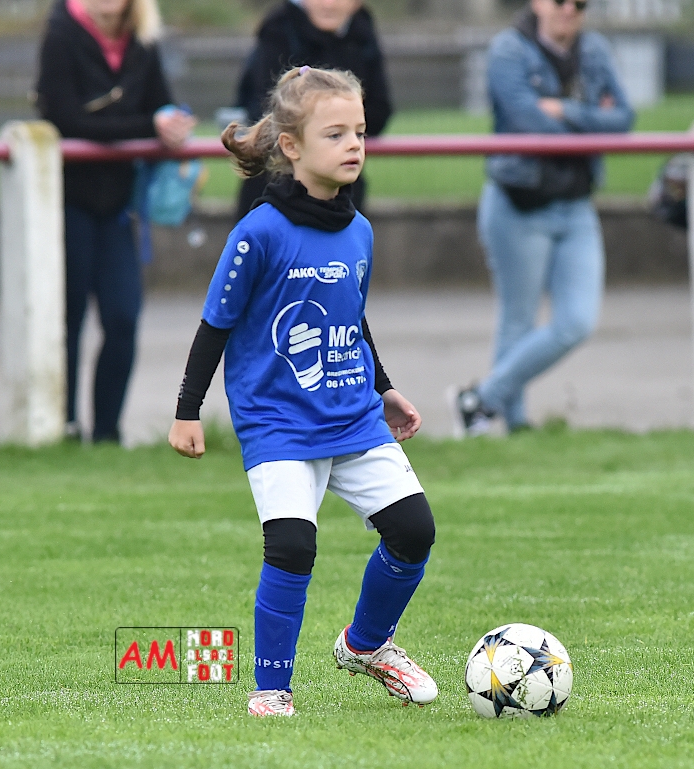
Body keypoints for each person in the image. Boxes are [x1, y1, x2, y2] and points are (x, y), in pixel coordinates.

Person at [168, 66, 437, 717]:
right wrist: (187, 410)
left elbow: (353, 320)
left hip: (353, 416)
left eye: (360, 132)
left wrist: (385, 388)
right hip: (278, 423)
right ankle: (272, 690)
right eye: (335, 133)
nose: (354, 145)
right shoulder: (258, 232)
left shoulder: (360, 230)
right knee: (292, 547)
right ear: (290, 146)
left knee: (414, 531)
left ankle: (366, 645)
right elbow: (215, 324)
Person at [450, 0, 633, 436]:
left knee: (577, 322)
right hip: (519, 203)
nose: (569, 10)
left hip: (576, 204)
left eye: (580, 3)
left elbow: (624, 120)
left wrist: (565, 110)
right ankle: (513, 425)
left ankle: (480, 400)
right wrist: (591, 120)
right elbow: (530, 123)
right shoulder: (508, 50)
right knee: (519, 320)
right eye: (559, 2)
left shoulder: (595, 49)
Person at [34, 0, 195, 443]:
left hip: (118, 206)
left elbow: (160, 102)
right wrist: (148, 126)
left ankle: (107, 432)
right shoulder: (61, 35)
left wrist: (171, 123)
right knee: (66, 320)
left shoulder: (143, 39)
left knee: (123, 318)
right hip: (66, 201)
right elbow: (65, 119)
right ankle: (64, 426)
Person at [232, 0, 393, 217]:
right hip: (273, 183)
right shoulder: (278, 29)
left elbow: (380, 109)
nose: (328, 4)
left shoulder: (362, 31)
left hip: (342, 197)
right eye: (334, 134)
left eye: (358, 134)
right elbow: (262, 107)